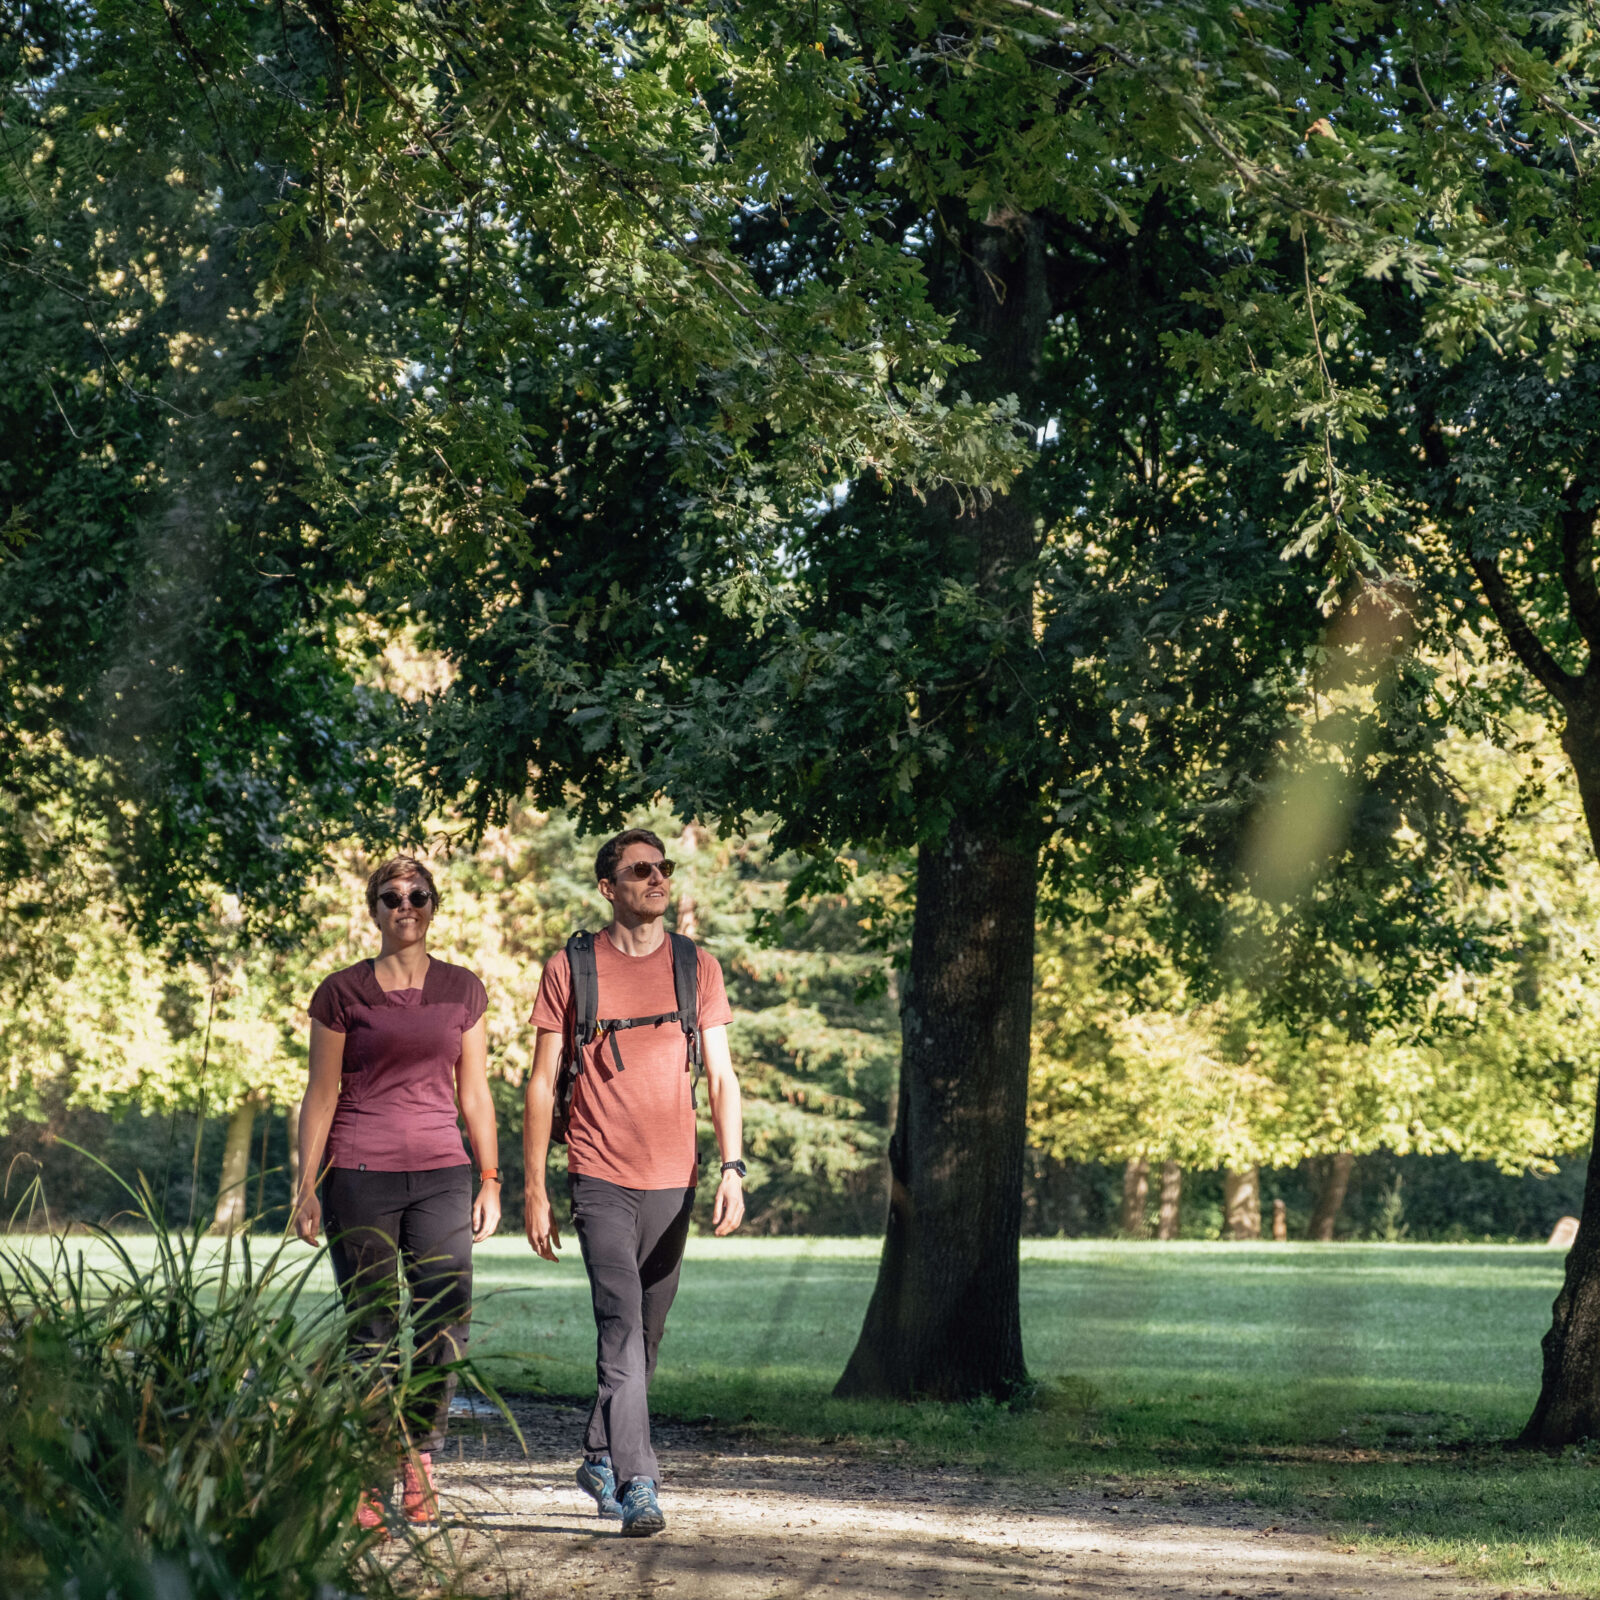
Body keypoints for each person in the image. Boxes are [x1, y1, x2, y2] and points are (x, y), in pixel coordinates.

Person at [524, 827, 746, 1538]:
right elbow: (539, 1082)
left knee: (645, 1338)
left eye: (663, 869)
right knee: (618, 1327)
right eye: (640, 870)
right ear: (608, 887)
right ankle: (639, 1481)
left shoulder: (695, 966)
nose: (657, 879)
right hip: (598, 1175)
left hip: (674, 1179)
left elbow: (720, 1074)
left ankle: (597, 1454)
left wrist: (732, 1167)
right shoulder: (572, 967)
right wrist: (533, 1186)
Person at [292, 855, 501, 1531]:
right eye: (389, 897)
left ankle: (417, 1458)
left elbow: (475, 1091)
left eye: (416, 896)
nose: (402, 906)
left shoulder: (463, 990)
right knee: (372, 1330)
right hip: (358, 1173)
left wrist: (491, 1177)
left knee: (445, 1320)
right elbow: (321, 1094)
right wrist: (306, 1187)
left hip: (443, 1171)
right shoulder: (341, 993)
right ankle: (366, 1468)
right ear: (373, 909)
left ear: (433, 905)